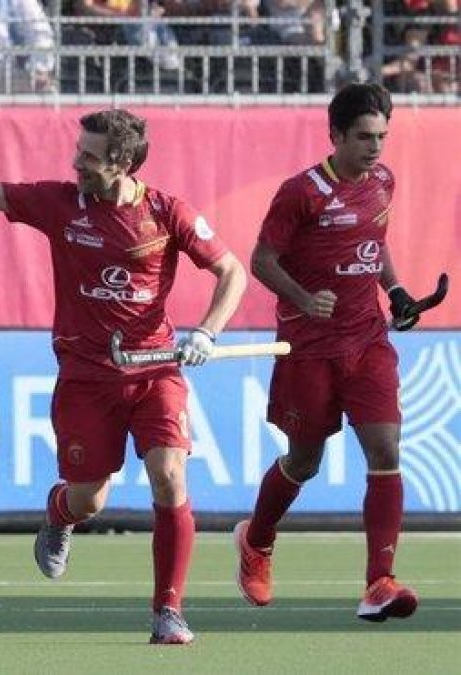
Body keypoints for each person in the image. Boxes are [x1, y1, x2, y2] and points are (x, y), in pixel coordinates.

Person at [0, 108, 247, 644]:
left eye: (90, 157)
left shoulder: (169, 213)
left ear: (121, 163)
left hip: (154, 370)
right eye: (79, 152)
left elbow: (231, 270)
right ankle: (59, 514)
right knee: (89, 499)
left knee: (169, 475)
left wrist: (208, 331)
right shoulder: (59, 204)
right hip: (86, 378)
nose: (77, 163)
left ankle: (168, 610)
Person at [235, 83, 420, 623]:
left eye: (382, 136)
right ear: (335, 135)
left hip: (367, 340)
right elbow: (262, 260)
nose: (375, 148)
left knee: (385, 450)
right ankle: (257, 539)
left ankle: (378, 584)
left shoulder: (383, 181)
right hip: (309, 348)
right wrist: (302, 298)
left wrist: (397, 291)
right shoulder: (302, 193)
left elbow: (375, 239)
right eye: (364, 137)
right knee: (304, 461)